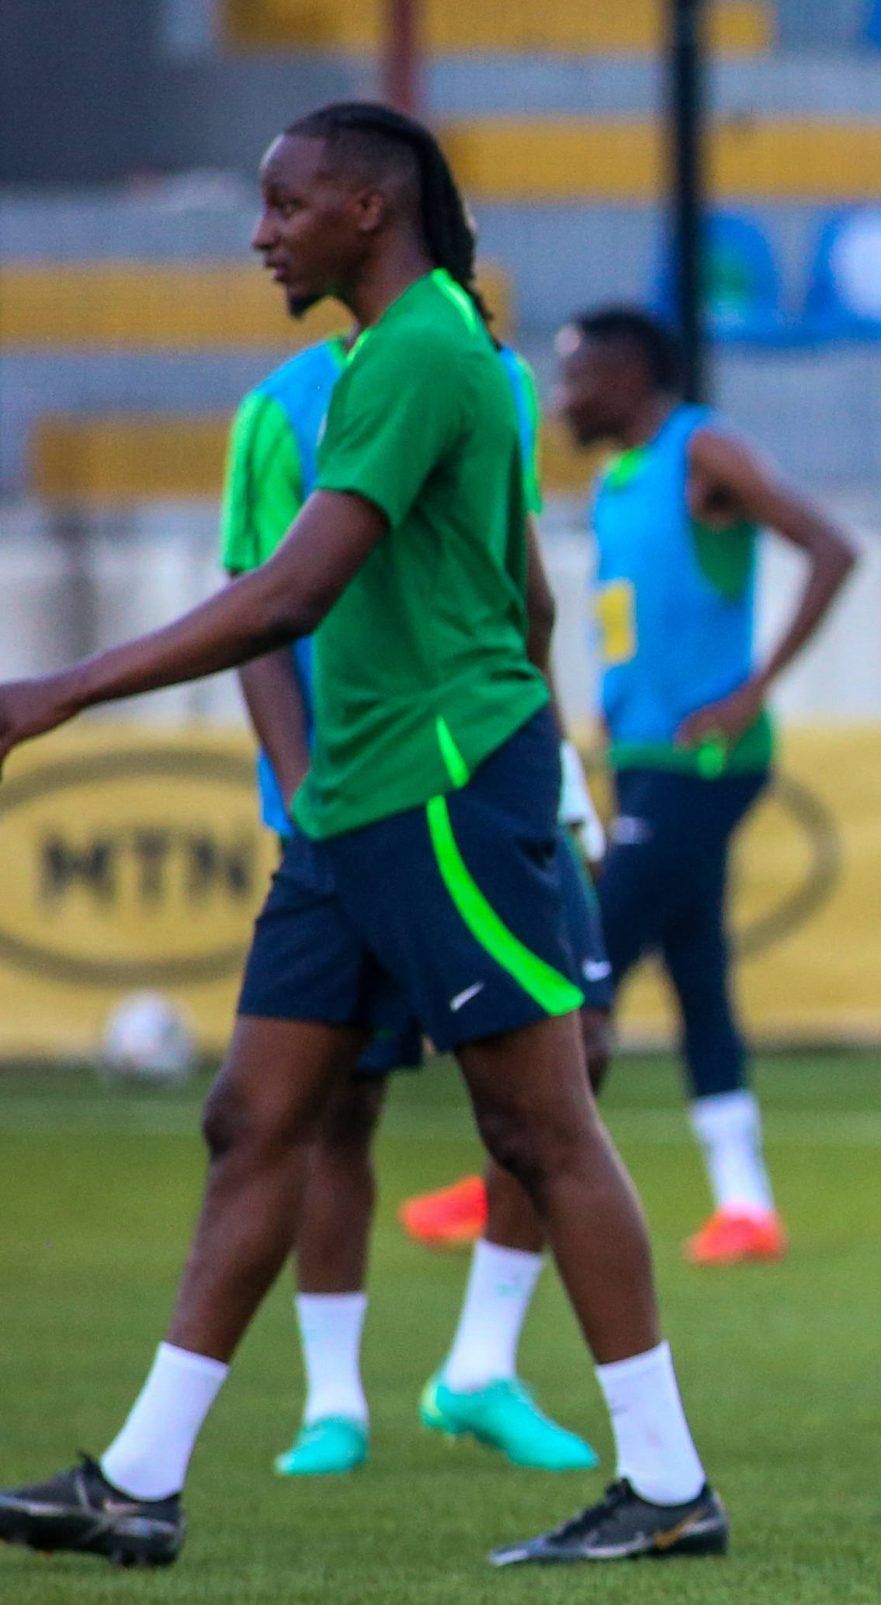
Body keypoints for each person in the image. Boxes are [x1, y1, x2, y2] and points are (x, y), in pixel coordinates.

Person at [0, 102, 724, 1568]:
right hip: (359, 796)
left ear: (368, 213)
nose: (261, 232)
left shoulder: (421, 353)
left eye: (284, 206)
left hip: (443, 787)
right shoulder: (431, 353)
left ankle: (666, 1484)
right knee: (254, 1117)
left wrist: (56, 690)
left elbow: (288, 596)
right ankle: (139, 1475)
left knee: (538, 1121)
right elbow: (517, 584)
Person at [220, 330, 615, 1479]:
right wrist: (304, 802)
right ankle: (330, 1401)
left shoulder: (492, 380)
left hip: (482, 788)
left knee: (571, 1064)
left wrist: (559, 772)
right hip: (349, 809)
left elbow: (512, 589)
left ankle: (481, 1366)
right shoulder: (278, 409)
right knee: (336, 1102)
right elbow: (258, 611)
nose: (268, 235)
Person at [481, 302, 855, 1268]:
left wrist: (753, 689)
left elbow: (831, 547)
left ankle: (514, 1176)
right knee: (699, 977)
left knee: (581, 955)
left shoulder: (703, 451)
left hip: (709, 759)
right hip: (646, 757)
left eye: (576, 378)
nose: (561, 397)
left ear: (631, 376)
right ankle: (745, 1204)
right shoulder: (616, 483)